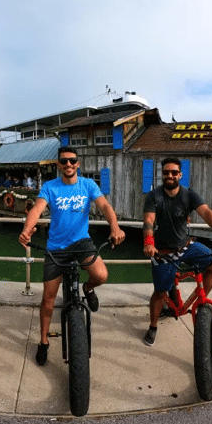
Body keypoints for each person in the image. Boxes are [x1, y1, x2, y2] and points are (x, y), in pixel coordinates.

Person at [19, 146, 125, 365]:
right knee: (48, 299)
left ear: (78, 164)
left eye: (72, 161)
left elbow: (104, 206)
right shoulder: (50, 187)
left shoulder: (88, 185)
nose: (68, 164)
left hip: (81, 242)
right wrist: (27, 229)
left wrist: (114, 226)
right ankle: (43, 341)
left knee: (101, 275)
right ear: (58, 164)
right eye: (64, 161)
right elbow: (38, 209)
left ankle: (87, 288)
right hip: (56, 247)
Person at [142, 157, 212, 346]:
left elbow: (206, 213)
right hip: (163, 252)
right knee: (159, 293)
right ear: (162, 174)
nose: (170, 175)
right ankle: (153, 326)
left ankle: (196, 303)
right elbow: (148, 221)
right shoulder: (154, 196)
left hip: (186, 246)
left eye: (174, 172)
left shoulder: (189, 195)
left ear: (180, 175)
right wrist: (148, 242)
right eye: (166, 172)